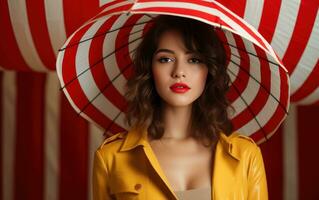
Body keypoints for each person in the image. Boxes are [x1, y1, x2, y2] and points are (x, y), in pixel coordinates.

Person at [93, 15, 268, 200]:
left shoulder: (246, 156)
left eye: (194, 60)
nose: (179, 72)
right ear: (149, 69)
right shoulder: (110, 158)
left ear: (209, 70)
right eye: (165, 59)